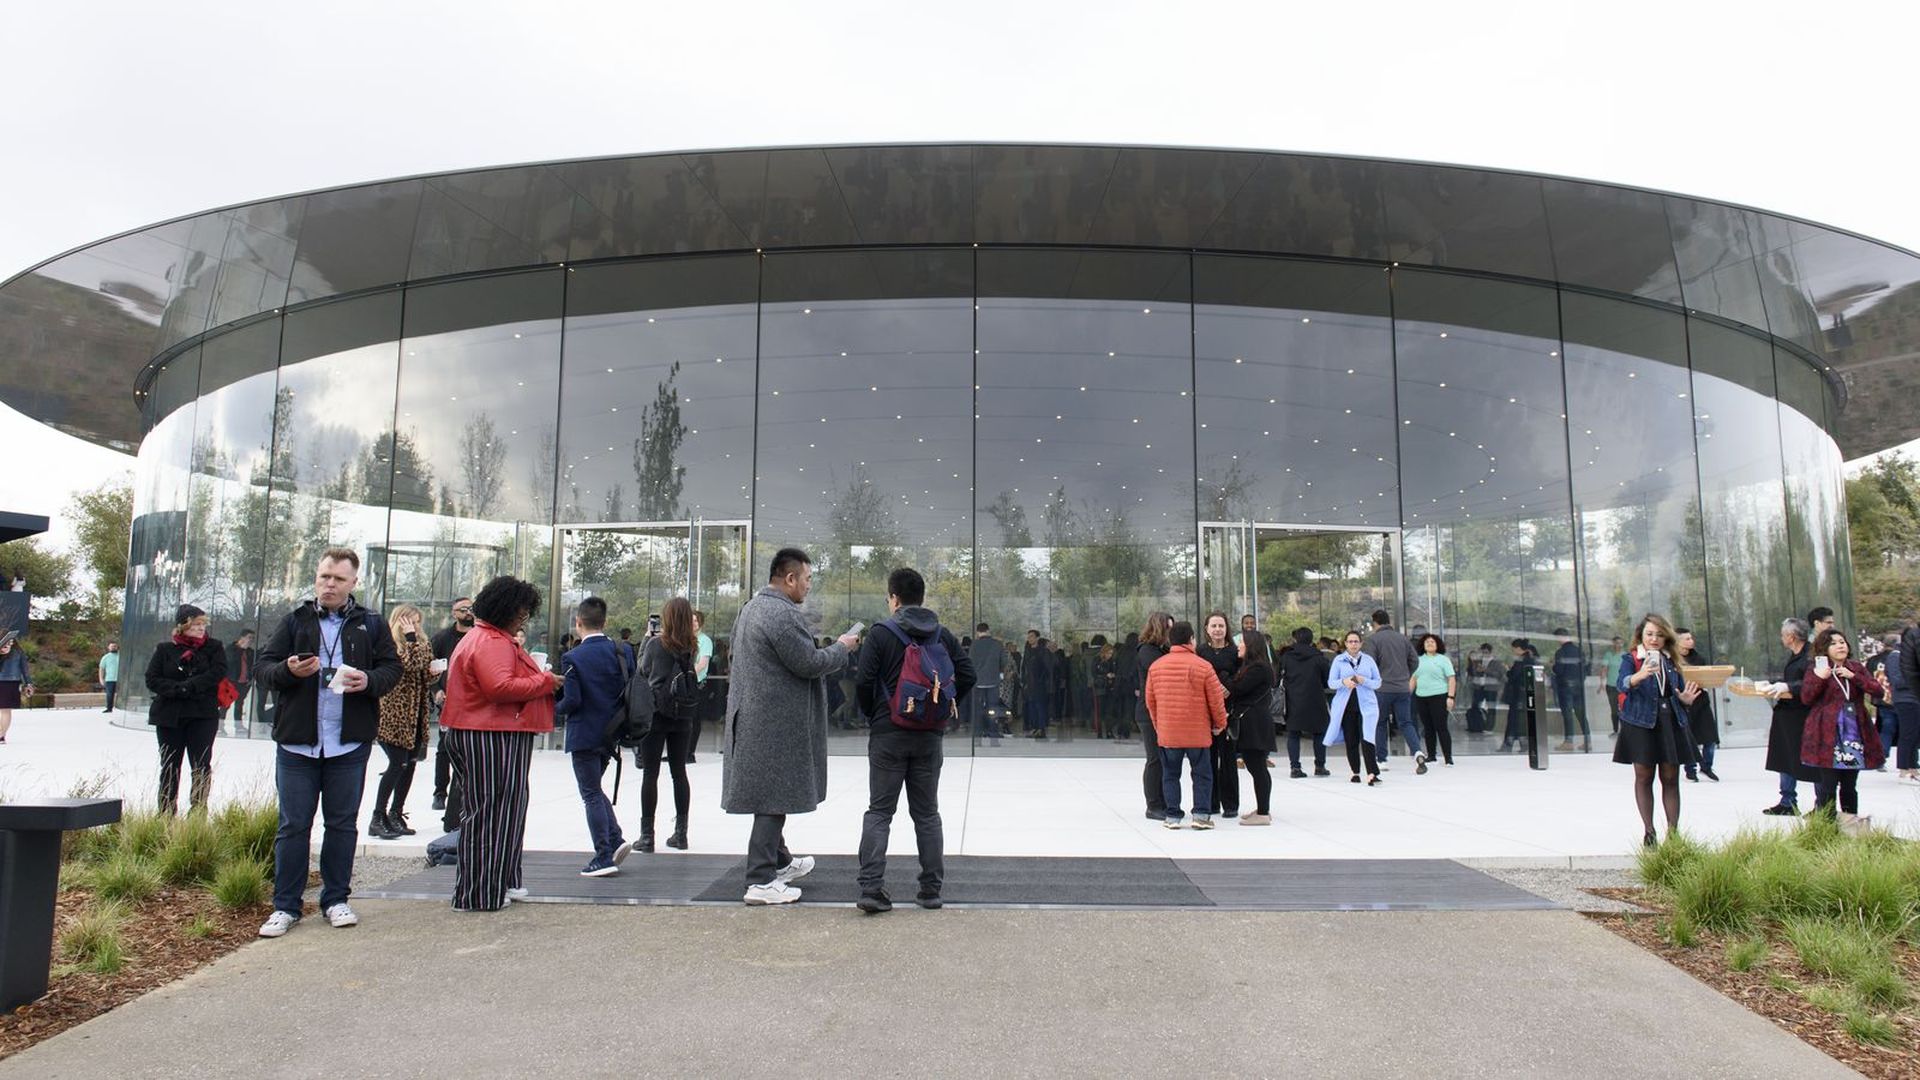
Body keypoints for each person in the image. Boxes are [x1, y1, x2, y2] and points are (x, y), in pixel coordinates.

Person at [255, 548, 403, 938]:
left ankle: (335, 900)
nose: (329, 584)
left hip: (347, 743)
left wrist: (368, 681)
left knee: (341, 824)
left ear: (354, 582)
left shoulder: (370, 623)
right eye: (324, 576)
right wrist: (287, 671)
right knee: (293, 826)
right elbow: (263, 669)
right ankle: (285, 907)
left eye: (338, 578)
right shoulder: (295, 621)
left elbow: (392, 669)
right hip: (297, 744)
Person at [721, 548, 856, 905]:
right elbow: (809, 662)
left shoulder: (752, 608)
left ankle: (779, 862)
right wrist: (842, 647)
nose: (809, 586)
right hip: (772, 724)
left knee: (771, 795)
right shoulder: (781, 614)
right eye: (807, 579)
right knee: (772, 800)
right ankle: (760, 880)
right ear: (790, 578)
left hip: (757, 719)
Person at [852, 567, 975, 912]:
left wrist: (875, 714)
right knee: (927, 814)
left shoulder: (880, 633)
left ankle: (871, 889)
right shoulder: (941, 634)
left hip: (888, 734)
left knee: (880, 812)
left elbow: (863, 682)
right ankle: (930, 890)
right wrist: (941, 710)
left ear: (894, 598)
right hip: (928, 736)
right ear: (921, 598)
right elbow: (968, 674)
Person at [440, 575, 564, 912]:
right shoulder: (491, 641)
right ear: (507, 610)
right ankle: (480, 893)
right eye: (521, 613)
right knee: (491, 814)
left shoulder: (483, 637)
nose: (523, 618)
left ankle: (499, 882)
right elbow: (499, 687)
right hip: (489, 734)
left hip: (488, 732)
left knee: (501, 810)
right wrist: (544, 681)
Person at [554, 596, 635, 876]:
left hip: (584, 733)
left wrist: (551, 708)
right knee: (595, 789)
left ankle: (603, 855)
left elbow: (572, 701)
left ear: (578, 622)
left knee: (589, 794)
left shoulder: (573, 657)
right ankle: (615, 839)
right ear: (605, 622)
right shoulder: (622, 651)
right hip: (611, 732)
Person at [1614, 615, 1701, 846]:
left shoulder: (1671, 660)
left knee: (1671, 778)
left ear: (1666, 638)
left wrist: (1684, 699)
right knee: (1644, 776)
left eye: (1659, 635)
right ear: (1641, 635)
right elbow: (1621, 684)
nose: (1654, 639)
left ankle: (1673, 834)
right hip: (1641, 722)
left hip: (1669, 721)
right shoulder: (1631, 659)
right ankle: (1649, 832)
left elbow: (1677, 691)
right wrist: (1640, 675)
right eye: (1649, 634)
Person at [144, 604, 227, 815]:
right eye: (195, 624)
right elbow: (152, 679)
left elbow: (217, 672)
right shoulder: (165, 649)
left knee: (201, 765)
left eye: (202, 624)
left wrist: (190, 686)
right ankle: (166, 813)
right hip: (170, 715)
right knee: (170, 765)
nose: (201, 628)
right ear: (183, 626)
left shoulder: (214, 647)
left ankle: (198, 813)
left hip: (202, 714)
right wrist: (176, 689)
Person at [1145, 621, 1228, 829]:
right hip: (1197, 733)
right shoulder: (1203, 666)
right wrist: (1220, 723)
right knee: (1202, 775)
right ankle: (1201, 815)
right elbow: (1216, 700)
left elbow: (1150, 702)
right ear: (1191, 639)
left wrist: (1158, 726)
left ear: (1170, 640)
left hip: (1169, 732)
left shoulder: (1156, 667)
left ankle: (1172, 816)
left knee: (1170, 774)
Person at [1800, 628, 1885, 823]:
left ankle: (1850, 824)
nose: (1840, 646)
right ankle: (1826, 826)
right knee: (1828, 784)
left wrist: (1853, 676)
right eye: (1833, 643)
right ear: (1824, 648)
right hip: (1827, 733)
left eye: (1842, 642)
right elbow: (1806, 698)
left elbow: (1878, 690)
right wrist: (1820, 678)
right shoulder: (1817, 669)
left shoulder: (1855, 667)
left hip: (1853, 731)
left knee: (1849, 784)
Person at [639, 597, 701, 853]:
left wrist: (646, 639)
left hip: (656, 713)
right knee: (679, 773)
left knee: (650, 773)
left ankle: (647, 836)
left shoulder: (656, 644)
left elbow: (643, 670)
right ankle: (681, 834)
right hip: (682, 715)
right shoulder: (691, 646)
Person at [369, 605, 434, 841]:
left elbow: (423, 671)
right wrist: (410, 639)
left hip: (415, 714)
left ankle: (396, 813)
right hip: (394, 714)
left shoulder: (423, 643)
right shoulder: (390, 645)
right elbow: (410, 664)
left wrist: (434, 671)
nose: (414, 627)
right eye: (409, 622)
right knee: (397, 764)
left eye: (417, 622)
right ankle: (378, 816)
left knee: (410, 765)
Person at [429, 597, 476, 817]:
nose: (468, 612)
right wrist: (436, 689)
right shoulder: (442, 638)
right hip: (448, 701)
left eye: (471, 608)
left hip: (473, 701)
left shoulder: (479, 636)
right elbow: (430, 668)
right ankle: (440, 792)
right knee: (445, 748)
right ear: (454, 613)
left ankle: (465, 795)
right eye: (463, 609)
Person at [1363, 609, 1425, 773]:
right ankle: (1417, 751)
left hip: (1382, 689)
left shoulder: (1373, 640)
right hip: (1402, 688)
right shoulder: (1403, 639)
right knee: (1406, 722)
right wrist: (1405, 676)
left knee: (1380, 723)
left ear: (1375, 623)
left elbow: (1369, 664)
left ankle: (1382, 759)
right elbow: (1415, 661)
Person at [1763, 618, 1814, 816]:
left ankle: (1821, 802)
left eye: (1783, 634)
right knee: (1785, 756)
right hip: (1788, 714)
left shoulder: (1810, 656)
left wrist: (1788, 687)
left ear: (1791, 637)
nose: (1782, 638)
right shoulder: (1796, 655)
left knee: (1811, 759)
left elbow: (1811, 682)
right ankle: (1787, 801)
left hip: (1802, 714)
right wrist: (1773, 683)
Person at [1227, 629, 1277, 825]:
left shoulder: (1258, 669)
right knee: (1256, 766)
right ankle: (1262, 808)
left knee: (1257, 767)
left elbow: (1237, 689)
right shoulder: (1254, 667)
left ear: (1251, 646)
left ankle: (1263, 813)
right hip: (1253, 721)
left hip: (1254, 723)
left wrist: (1223, 677)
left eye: (1241, 642)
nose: (1238, 646)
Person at [1196, 612, 1240, 818]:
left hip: (1229, 711)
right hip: (1205, 712)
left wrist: (1228, 687)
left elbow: (1241, 677)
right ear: (1206, 628)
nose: (1217, 630)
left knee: (1229, 759)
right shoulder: (1200, 651)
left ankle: (1230, 805)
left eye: (1221, 626)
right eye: (1213, 626)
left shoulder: (1235, 652)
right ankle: (1211, 803)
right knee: (1208, 759)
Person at [1326, 630, 1384, 784]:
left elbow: (1378, 682)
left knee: (1368, 738)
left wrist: (1364, 680)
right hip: (1346, 707)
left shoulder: (1368, 660)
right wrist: (1343, 682)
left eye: (1356, 641)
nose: (1353, 644)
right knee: (1351, 740)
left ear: (1361, 643)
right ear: (1345, 644)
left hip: (1366, 706)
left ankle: (1372, 772)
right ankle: (1355, 771)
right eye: (1350, 641)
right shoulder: (1339, 660)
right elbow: (1331, 683)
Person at [1135, 612, 1173, 819]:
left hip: (1162, 711)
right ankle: (1153, 804)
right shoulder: (1147, 651)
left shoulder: (1161, 650)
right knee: (1155, 759)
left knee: (1163, 758)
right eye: (1168, 629)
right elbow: (1161, 672)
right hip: (1148, 712)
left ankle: (1163, 801)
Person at [1279, 627, 1331, 777]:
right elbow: (1326, 680)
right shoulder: (1319, 658)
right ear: (1311, 640)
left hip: (1293, 699)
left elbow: (1278, 677)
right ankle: (1320, 766)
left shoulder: (1287, 657)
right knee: (1319, 732)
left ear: (1295, 639)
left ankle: (1295, 767)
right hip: (1316, 699)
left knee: (1293, 734)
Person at [1675, 628, 1719, 782]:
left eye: (1691, 638)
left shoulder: (1699, 658)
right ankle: (1690, 769)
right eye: (1687, 639)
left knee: (1710, 737)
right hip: (1683, 702)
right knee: (1688, 737)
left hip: (1701, 700)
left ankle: (1706, 766)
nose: (1691, 641)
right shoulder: (1672, 660)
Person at [1412, 633, 1457, 767]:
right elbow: (1413, 679)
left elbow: (1451, 679)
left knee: (1441, 727)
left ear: (1437, 645)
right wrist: (1405, 695)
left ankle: (1448, 758)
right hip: (1421, 697)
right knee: (1428, 728)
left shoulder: (1443, 660)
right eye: (1427, 642)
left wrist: (1450, 697)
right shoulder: (1418, 660)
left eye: (1432, 642)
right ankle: (1431, 756)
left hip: (1439, 696)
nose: (1429, 644)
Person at [1550, 628, 1591, 753]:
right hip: (1578, 685)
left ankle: (1568, 741)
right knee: (1580, 713)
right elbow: (1585, 669)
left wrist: (1552, 666)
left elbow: (1559, 670)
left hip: (1565, 686)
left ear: (1560, 637)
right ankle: (1587, 741)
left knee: (1567, 713)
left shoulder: (1560, 652)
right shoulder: (1579, 651)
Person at [968, 622, 1006, 744]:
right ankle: (994, 738)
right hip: (993, 681)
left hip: (977, 682)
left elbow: (970, 662)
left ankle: (977, 738)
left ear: (977, 632)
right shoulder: (997, 644)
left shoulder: (974, 645)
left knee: (977, 711)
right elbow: (1003, 662)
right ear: (988, 631)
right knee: (993, 709)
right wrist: (1000, 673)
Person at [687, 609, 715, 763]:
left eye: (696, 620)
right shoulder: (684, 639)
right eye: (691, 620)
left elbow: (702, 664)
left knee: (694, 718)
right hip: (685, 683)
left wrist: (688, 675)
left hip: (696, 683)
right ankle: (679, 752)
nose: (693, 623)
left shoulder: (705, 641)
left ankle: (689, 753)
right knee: (683, 719)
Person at [1499, 639, 1535, 754]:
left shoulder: (1521, 661)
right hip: (1525, 694)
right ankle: (1523, 743)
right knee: (1520, 720)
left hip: (1518, 694)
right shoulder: (1531, 659)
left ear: (1518, 648)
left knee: (1514, 719)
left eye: (1514, 649)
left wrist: (1508, 670)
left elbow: (1513, 675)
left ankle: (1509, 743)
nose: (1513, 651)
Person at [1895, 622, 1920, 782]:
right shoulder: (1895, 656)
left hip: (1914, 699)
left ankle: (1913, 766)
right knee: (1907, 734)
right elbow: (1897, 679)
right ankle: (1904, 768)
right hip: (1906, 700)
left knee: (1915, 735)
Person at [223, 630, 256, 735]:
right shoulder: (231, 649)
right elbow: (230, 661)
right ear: (242, 637)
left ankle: (238, 726)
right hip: (232, 681)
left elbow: (253, 665)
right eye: (249, 637)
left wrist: (250, 678)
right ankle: (220, 725)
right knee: (226, 704)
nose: (251, 640)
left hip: (244, 682)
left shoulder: (250, 652)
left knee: (239, 704)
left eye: (252, 638)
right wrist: (240, 649)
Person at [1021, 629, 1051, 738]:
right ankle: (1034, 728)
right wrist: (1024, 681)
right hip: (1029, 684)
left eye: (1032, 636)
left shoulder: (1043, 651)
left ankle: (1041, 729)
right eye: (1028, 636)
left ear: (1037, 638)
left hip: (1039, 684)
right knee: (1031, 706)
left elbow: (1047, 668)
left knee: (1039, 706)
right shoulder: (1027, 651)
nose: (1029, 639)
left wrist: (1041, 680)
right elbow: (1024, 667)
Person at [97, 640, 121, 713]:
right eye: (112, 646)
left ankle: (121, 707)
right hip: (110, 679)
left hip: (121, 679)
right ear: (108, 647)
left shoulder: (121, 656)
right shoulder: (105, 657)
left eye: (115, 646)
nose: (113, 647)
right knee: (109, 695)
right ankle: (109, 708)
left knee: (122, 695)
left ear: (117, 647)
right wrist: (101, 679)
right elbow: (101, 669)